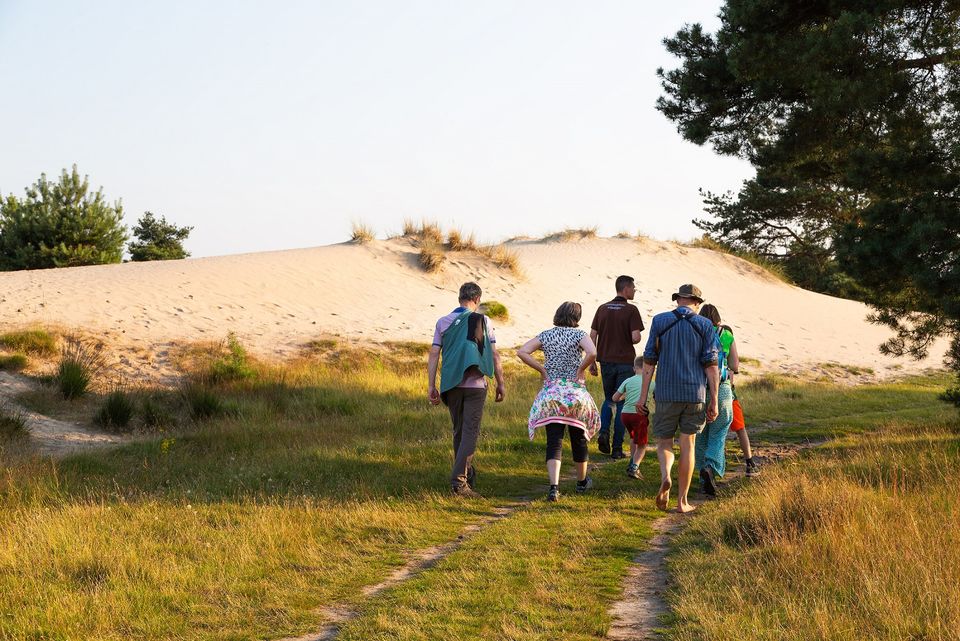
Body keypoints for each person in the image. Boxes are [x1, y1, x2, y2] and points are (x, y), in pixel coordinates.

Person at [638, 284, 719, 514]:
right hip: (694, 393)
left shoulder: (660, 321)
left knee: (665, 442)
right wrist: (714, 399)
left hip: (666, 392)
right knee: (688, 445)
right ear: (697, 303)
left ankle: (666, 476)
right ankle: (682, 501)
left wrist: (642, 398)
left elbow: (649, 361)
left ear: (678, 300)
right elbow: (711, 366)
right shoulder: (705, 325)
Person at [427, 282, 506, 497]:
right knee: (470, 432)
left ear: (459, 298)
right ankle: (459, 483)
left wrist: (431, 385)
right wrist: (500, 382)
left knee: (459, 431)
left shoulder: (442, 322)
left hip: (451, 384)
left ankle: (466, 473)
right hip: (476, 385)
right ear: (477, 299)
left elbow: (434, 354)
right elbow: (494, 354)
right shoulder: (483, 320)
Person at [518, 301, 600, 502]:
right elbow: (593, 352)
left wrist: (542, 369)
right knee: (578, 438)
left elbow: (522, 351)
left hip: (552, 395)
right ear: (576, 317)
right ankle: (581, 482)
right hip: (575, 395)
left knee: (554, 441)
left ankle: (554, 488)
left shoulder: (546, 335)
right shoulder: (579, 335)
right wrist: (580, 369)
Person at [589, 275, 644, 459]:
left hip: (605, 361)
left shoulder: (602, 308)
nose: (634, 291)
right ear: (625, 288)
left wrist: (592, 361)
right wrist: (630, 336)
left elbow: (592, 336)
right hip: (625, 362)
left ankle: (604, 431)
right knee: (622, 402)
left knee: (609, 399)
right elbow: (635, 337)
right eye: (633, 288)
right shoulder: (631, 310)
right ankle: (617, 449)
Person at [694, 304, 737, 495]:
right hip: (722, 388)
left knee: (700, 434)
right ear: (718, 319)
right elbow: (734, 364)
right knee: (718, 432)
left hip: (699, 389)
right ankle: (710, 467)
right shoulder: (726, 334)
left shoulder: (696, 332)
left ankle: (702, 475)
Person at [612, 356, 651, 479]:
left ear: (634, 368)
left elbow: (614, 398)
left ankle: (632, 463)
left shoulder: (628, 380)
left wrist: (625, 396)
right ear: (648, 368)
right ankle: (634, 467)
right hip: (639, 415)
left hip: (625, 415)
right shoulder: (651, 382)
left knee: (634, 438)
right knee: (642, 444)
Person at [731, 387, 760, 476]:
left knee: (714, 433)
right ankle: (750, 464)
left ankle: (708, 467)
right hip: (729, 398)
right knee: (741, 430)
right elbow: (731, 380)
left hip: (707, 396)